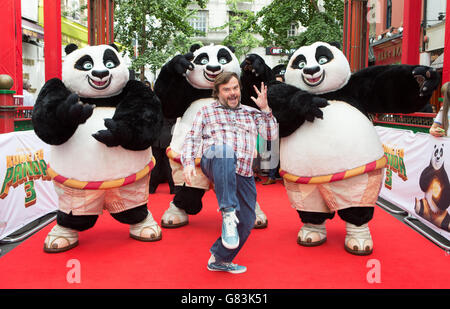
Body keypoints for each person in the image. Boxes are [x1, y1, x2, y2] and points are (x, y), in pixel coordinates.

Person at [181, 72, 278, 273]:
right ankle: (227, 212)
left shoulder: (252, 113)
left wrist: (265, 109)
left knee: (248, 219)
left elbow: (271, 135)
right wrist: (188, 162)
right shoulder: (206, 111)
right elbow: (192, 138)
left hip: (242, 170)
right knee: (225, 151)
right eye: (227, 89)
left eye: (235, 88)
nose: (232, 93)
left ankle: (220, 259)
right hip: (215, 159)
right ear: (218, 93)